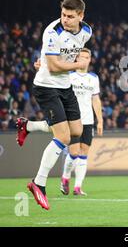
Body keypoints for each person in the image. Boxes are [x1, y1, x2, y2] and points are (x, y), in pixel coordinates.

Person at [15, 0, 92, 210]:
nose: (65, 20)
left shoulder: (86, 32)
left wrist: (49, 61)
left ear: (81, 16)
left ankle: (28, 125)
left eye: (70, 16)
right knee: (63, 136)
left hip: (65, 87)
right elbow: (56, 67)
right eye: (63, 15)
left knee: (76, 130)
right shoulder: (52, 32)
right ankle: (39, 182)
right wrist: (76, 65)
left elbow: (62, 59)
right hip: (46, 86)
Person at [18, 48, 103, 196]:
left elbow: (95, 99)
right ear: (76, 59)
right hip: (72, 117)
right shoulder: (68, 75)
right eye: (81, 56)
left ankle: (78, 187)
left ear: (89, 60)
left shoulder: (93, 78)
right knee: (74, 152)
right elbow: (52, 79)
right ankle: (65, 177)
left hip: (88, 120)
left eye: (86, 57)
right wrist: (42, 69)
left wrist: (100, 120)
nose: (83, 59)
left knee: (84, 153)